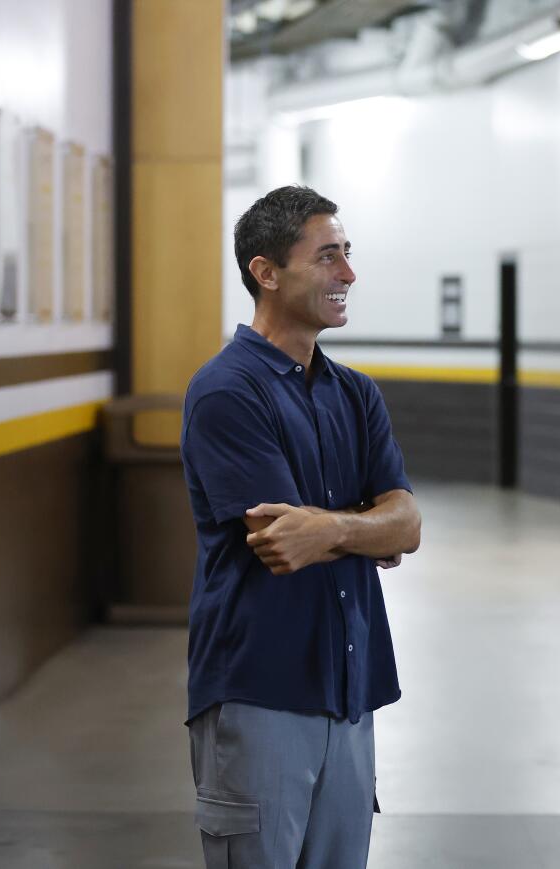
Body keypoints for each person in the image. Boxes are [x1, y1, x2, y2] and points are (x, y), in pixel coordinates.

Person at [180, 185, 420, 869]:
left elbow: (406, 523)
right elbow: (284, 541)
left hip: (349, 691)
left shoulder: (355, 392)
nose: (347, 273)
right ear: (266, 271)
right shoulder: (226, 391)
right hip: (260, 691)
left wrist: (343, 529)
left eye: (347, 254)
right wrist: (365, 524)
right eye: (327, 256)